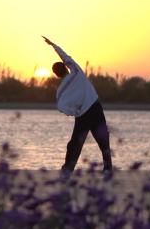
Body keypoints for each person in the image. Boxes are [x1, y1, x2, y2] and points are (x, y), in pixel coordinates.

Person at [42, 36, 112, 176]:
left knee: (75, 144)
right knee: (103, 140)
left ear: (56, 75)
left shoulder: (61, 91)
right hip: (95, 107)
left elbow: (61, 107)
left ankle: (67, 170)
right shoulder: (76, 71)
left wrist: (75, 111)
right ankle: (108, 169)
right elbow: (65, 56)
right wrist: (53, 45)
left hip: (83, 115)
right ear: (65, 67)